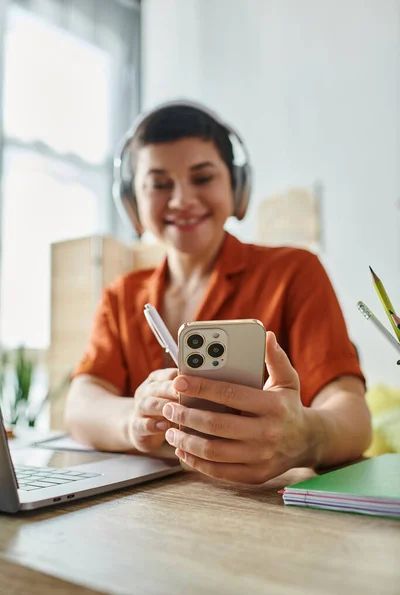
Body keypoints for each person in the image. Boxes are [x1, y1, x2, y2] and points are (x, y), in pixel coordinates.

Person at [65, 101, 371, 484]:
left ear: (236, 187)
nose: (181, 200)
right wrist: (132, 420)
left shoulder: (295, 272)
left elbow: (354, 418)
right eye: (159, 184)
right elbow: (80, 404)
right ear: (133, 204)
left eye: (203, 177)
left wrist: (305, 436)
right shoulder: (122, 295)